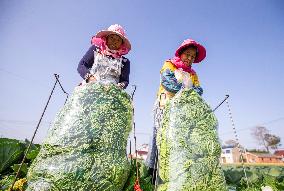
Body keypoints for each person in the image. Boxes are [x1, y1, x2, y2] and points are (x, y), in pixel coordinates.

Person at [146, 38, 206, 183]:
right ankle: (153, 174)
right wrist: (187, 92)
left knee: (177, 141)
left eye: (192, 56)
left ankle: (173, 174)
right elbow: (168, 83)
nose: (189, 58)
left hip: (182, 111)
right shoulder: (169, 64)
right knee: (160, 139)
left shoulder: (193, 74)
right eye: (187, 54)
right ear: (181, 53)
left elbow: (199, 90)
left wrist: (189, 93)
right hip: (164, 106)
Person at [77, 24, 131, 89]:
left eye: (118, 40)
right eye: (112, 38)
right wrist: (90, 78)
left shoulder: (125, 62)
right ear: (106, 38)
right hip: (90, 87)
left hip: (111, 93)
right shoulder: (95, 50)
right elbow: (82, 65)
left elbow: (125, 81)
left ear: (121, 44)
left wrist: (118, 87)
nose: (114, 42)